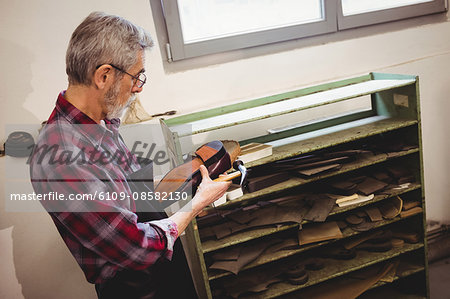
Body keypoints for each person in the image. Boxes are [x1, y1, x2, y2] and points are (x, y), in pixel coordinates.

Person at [29, 11, 231, 299]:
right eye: (136, 77)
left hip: (161, 266)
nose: (138, 86)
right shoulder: (62, 157)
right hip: (135, 288)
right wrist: (198, 204)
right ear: (104, 76)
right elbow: (136, 248)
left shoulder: (99, 122)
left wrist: (192, 175)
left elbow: (134, 196)